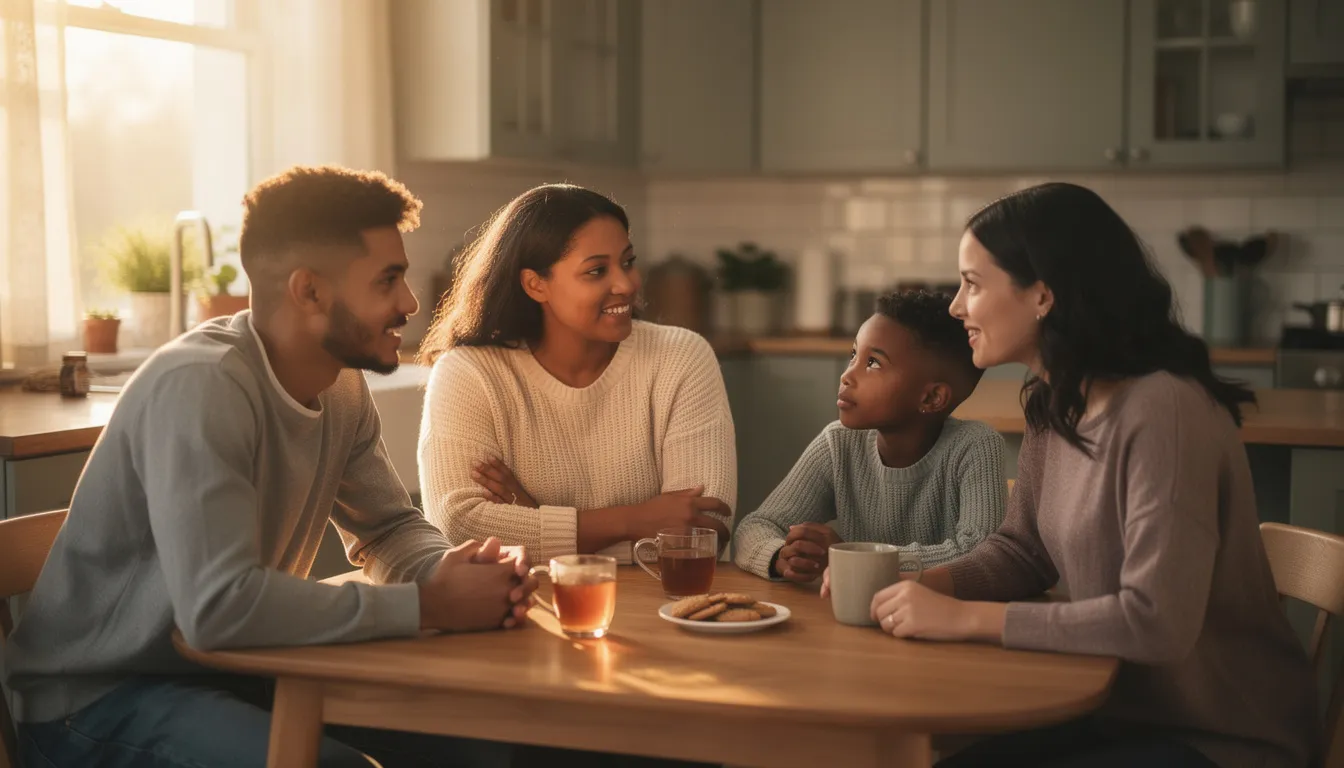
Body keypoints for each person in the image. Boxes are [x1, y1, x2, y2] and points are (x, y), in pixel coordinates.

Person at [3, 165, 535, 768]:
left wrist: (453, 574)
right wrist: (429, 606)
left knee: (490, 738)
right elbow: (218, 608)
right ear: (309, 292)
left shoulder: (341, 385)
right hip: (97, 702)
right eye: (388, 281)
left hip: (237, 671)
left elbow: (388, 528)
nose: (410, 303)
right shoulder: (201, 387)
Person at [833, 182, 1319, 768]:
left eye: (972, 284)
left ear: (1042, 294)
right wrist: (920, 585)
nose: (957, 307)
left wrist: (964, 618)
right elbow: (1022, 552)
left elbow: (1156, 623)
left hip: (1220, 737)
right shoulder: (1056, 400)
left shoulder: (1163, 410)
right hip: (1119, 711)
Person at [417, 183, 735, 566]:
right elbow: (458, 527)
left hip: (664, 599)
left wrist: (534, 517)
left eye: (628, 262)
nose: (626, 284)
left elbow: (701, 534)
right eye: (596, 271)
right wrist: (633, 521)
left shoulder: (681, 356)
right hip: (528, 601)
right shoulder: (470, 373)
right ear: (536, 284)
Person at [734, 290, 1005, 583]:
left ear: (931, 397)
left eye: (873, 362)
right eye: (854, 355)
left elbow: (984, 554)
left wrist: (855, 557)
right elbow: (756, 526)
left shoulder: (976, 446)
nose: (847, 375)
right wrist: (781, 556)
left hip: (939, 610)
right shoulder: (838, 444)